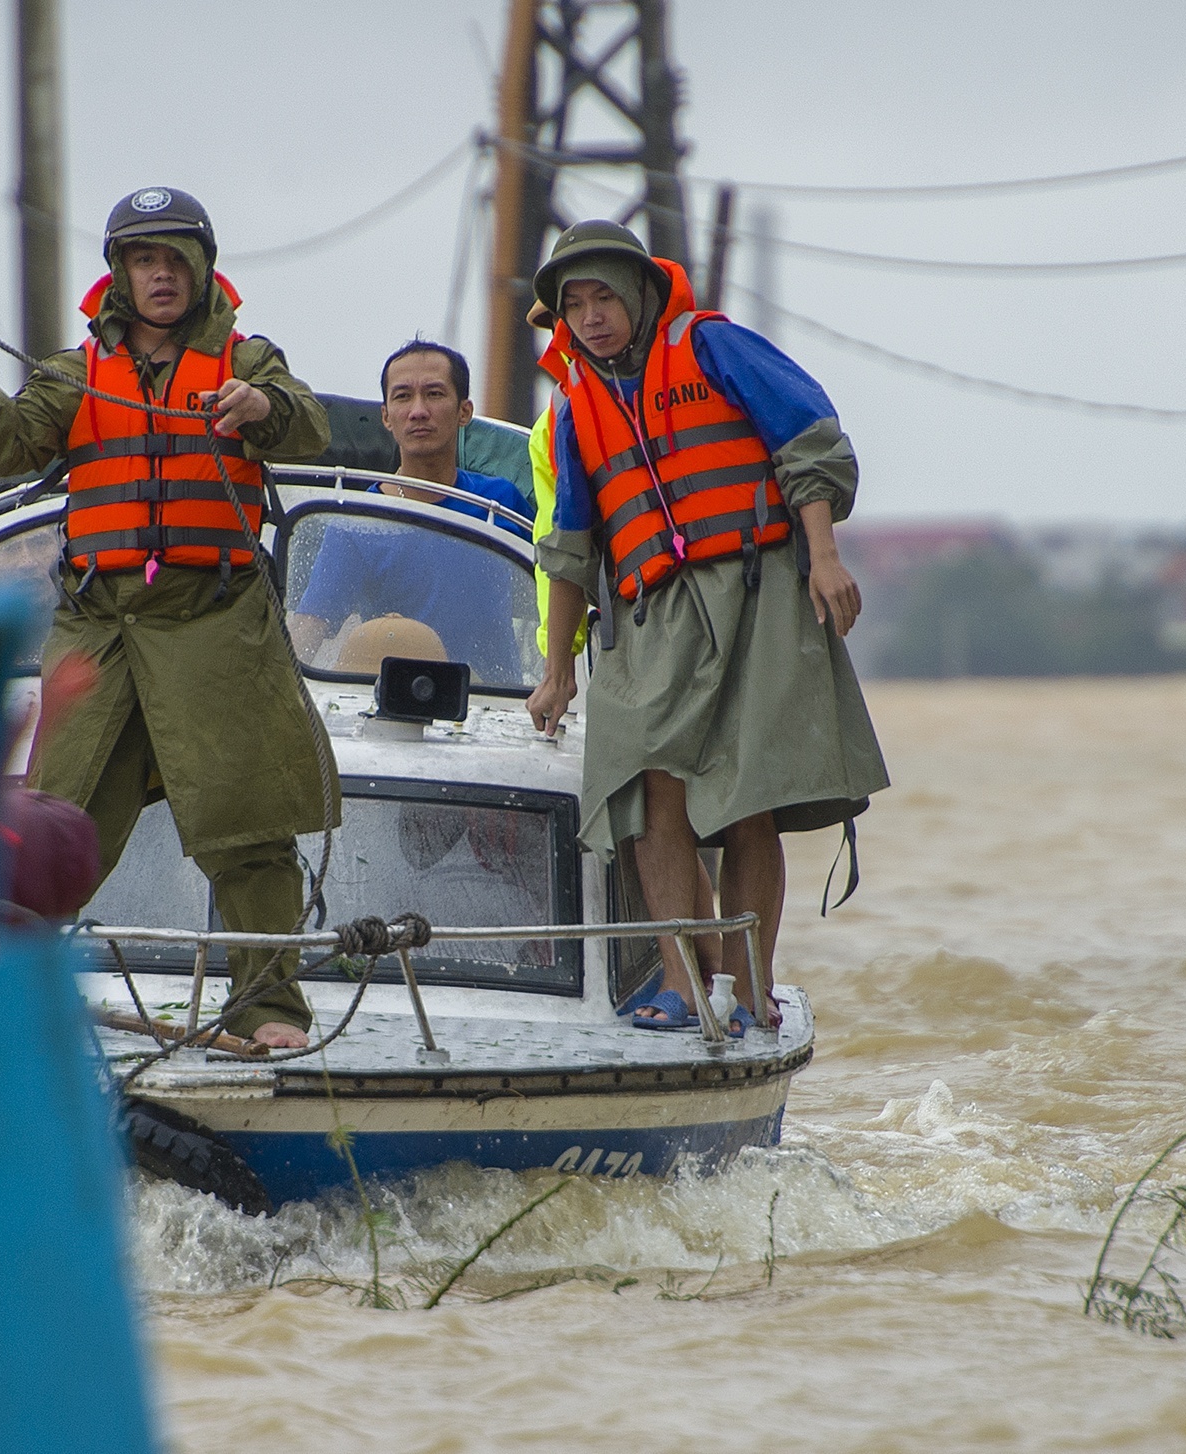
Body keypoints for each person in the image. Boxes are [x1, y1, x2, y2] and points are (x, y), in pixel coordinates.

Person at [0, 186, 336, 1049]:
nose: (159, 276)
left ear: (201, 269)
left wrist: (262, 407)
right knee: (45, 822)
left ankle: (270, 1010)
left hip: (215, 621)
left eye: (174, 260)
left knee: (248, 831)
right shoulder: (76, 372)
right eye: (141, 261)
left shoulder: (249, 358)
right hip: (99, 625)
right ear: (120, 274)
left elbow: (308, 427)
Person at [522, 220, 888, 1036]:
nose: (590, 318)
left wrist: (824, 557)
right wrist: (556, 669)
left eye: (604, 297)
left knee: (749, 801)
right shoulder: (575, 404)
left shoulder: (713, 345)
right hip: (651, 612)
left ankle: (751, 988)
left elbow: (810, 441)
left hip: (756, 591)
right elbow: (569, 548)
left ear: (641, 293)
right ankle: (681, 983)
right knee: (652, 791)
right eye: (573, 305)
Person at [289, 341, 530, 681]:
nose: (418, 411)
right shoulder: (360, 522)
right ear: (386, 416)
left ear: (464, 412)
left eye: (434, 394)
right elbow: (308, 630)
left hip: (497, 702)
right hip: (393, 704)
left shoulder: (500, 503)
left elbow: (553, 590)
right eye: (402, 396)